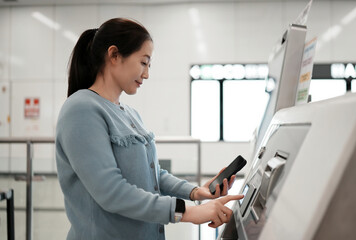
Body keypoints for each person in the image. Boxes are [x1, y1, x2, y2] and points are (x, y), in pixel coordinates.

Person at [55, 18, 243, 240]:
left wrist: (194, 192)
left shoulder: (130, 113)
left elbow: (152, 174)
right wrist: (188, 212)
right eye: (143, 63)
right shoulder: (81, 109)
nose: (146, 74)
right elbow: (111, 192)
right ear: (114, 55)